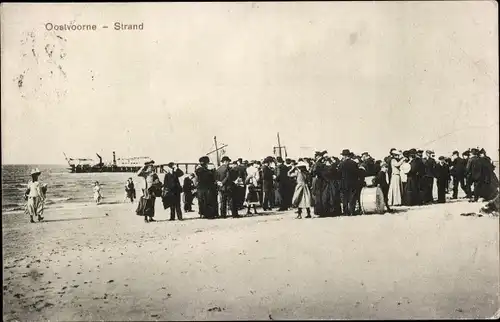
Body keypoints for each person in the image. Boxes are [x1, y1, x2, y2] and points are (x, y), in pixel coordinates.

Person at [338, 149, 359, 216]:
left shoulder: (341, 164)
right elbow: (357, 173)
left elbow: (339, 174)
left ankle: (346, 211)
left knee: (345, 198)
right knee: (352, 197)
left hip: (344, 183)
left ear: (344, 156)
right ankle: (352, 211)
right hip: (353, 183)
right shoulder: (354, 163)